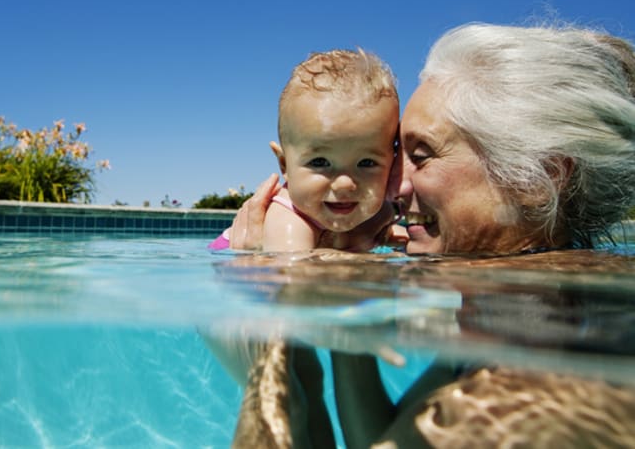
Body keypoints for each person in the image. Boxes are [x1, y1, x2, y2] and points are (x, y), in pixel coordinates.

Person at [223, 22, 635, 447]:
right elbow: (380, 438)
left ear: (537, 179)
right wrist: (347, 298)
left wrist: (265, 329)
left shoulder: (560, 358)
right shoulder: (514, 311)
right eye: (397, 155)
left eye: (420, 155)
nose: (391, 184)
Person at [207, 48, 401, 448]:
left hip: (273, 310)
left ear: (392, 160)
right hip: (233, 315)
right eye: (320, 162)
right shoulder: (287, 217)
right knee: (289, 394)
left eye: (367, 163)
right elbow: (301, 275)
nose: (345, 183)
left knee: (309, 386)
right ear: (283, 164)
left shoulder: (369, 207)